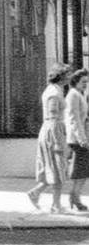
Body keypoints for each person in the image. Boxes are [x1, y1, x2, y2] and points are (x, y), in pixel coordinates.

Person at [27, 62, 72, 213]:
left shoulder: (54, 90)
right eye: (67, 75)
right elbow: (53, 115)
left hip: (51, 130)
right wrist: (60, 138)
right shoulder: (54, 92)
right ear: (61, 77)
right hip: (53, 131)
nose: (69, 77)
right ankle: (56, 205)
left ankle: (35, 193)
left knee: (53, 168)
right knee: (58, 168)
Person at [65, 68, 89, 210]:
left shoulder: (79, 94)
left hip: (80, 137)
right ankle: (74, 197)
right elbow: (74, 118)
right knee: (81, 170)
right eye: (83, 82)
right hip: (77, 139)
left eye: (87, 82)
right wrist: (82, 138)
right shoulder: (73, 95)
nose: (85, 84)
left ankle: (75, 197)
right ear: (76, 81)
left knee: (82, 170)